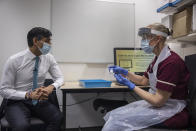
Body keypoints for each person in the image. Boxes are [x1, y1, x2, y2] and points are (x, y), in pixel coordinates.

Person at [103, 23, 190, 131]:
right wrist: (126, 72)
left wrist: (131, 85)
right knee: (115, 116)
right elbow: (144, 80)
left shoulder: (171, 62)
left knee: (119, 121)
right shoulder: (157, 59)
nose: (143, 41)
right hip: (161, 106)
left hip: (173, 111)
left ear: (158, 39)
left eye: (146, 37)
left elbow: (158, 101)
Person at [0, 27, 64, 131]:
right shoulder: (14, 61)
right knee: (22, 126)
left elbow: (60, 78)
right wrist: (28, 95)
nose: (50, 45)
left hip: (38, 100)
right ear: (35, 41)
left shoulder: (49, 58)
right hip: (17, 101)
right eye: (47, 41)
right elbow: (4, 90)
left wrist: (51, 87)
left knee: (58, 118)